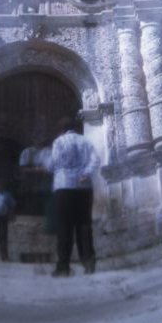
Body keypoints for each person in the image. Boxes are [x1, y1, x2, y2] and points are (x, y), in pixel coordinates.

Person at [49, 117, 100, 277]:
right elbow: (95, 159)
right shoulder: (85, 141)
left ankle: (63, 266)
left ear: (61, 129)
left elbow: (54, 163)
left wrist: (48, 165)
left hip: (64, 186)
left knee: (64, 226)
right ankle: (89, 263)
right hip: (84, 187)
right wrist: (86, 173)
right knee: (84, 225)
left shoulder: (59, 142)